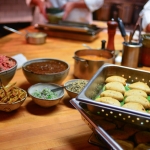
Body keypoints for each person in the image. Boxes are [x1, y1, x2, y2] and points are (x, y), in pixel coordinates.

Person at [26, 0, 104, 25]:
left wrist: (74, 4)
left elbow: (98, 1)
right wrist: (40, 2)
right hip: (46, 26)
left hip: (79, 27)